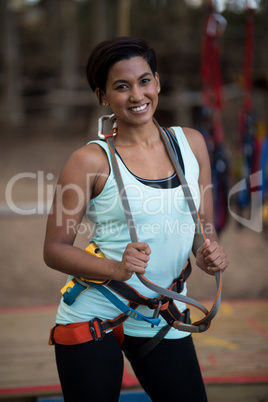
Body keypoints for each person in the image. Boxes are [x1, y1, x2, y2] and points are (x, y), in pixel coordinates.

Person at [44, 37, 229, 402]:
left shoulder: (191, 144)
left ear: (157, 82)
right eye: (121, 86)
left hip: (163, 314)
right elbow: (54, 249)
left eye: (144, 81)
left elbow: (200, 225)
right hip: (95, 312)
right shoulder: (90, 161)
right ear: (102, 96)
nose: (136, 95)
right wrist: (116, 267)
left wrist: (208, 253)